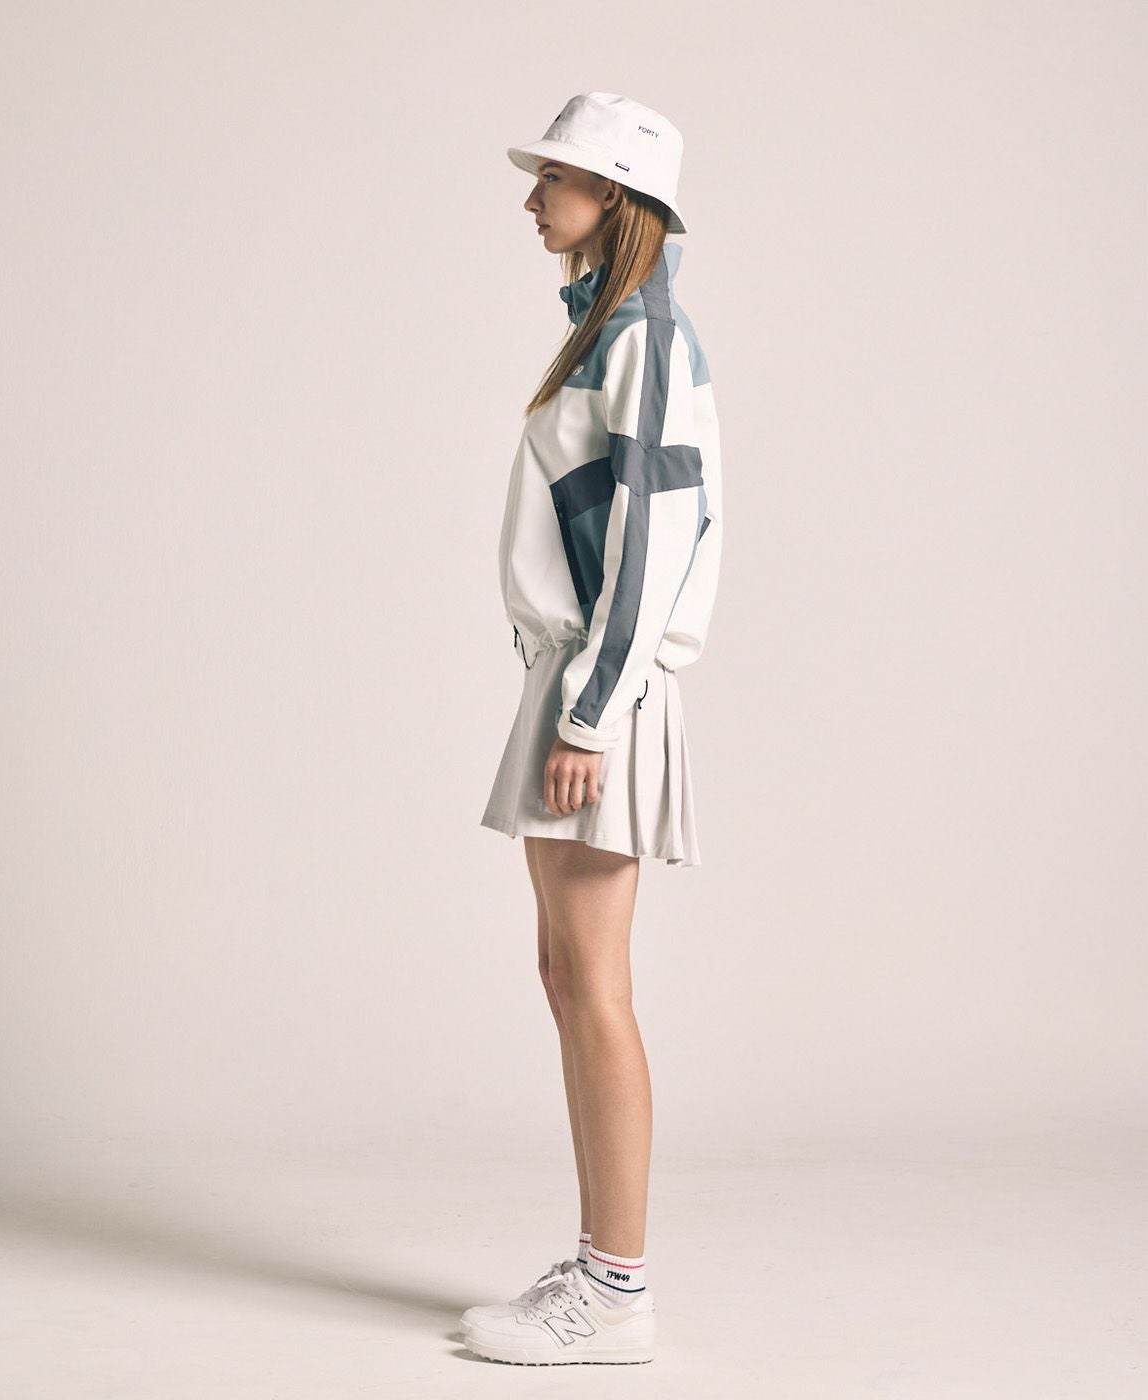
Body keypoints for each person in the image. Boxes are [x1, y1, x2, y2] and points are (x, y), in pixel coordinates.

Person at [465, 91, 723, 1366]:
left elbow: (654, 544)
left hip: (596, 697)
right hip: (574, 685)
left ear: (614, 198)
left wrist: (589, 710)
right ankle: (597, 1266)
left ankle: (616, 1290)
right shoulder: (604, 329)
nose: (532, 199)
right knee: (567, 978)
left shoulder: (644, 338)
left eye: (554, 180)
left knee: (595, 985)